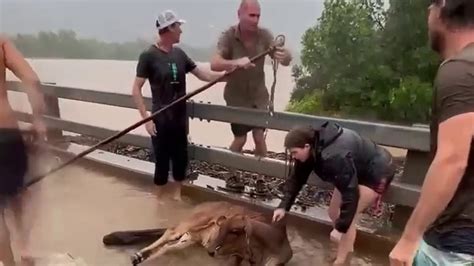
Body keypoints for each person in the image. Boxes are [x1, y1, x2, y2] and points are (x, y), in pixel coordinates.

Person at [389, 0, 474, 265]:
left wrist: (410, 236)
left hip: (456, 241)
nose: (427, 12)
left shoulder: (460, 71)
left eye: (431, 4)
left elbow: (452, 159)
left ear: (444, 7)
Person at [132, 10, 224, 203]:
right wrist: (146, 119)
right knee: (162, 165)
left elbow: (203, 75)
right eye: (178, 26)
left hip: (179, 120)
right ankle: (157, 201)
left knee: (181, 161)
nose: (181, 30)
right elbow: (136, 89)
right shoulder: (148, 56)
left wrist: (226, 76)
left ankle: (176, 197)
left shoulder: (180, 54)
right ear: (168, 29)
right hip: (160, 120)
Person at [272, 121, 396, 265]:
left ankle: (342, 261)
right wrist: (283, 206)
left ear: (306, 146)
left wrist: (340, 228)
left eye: (294, 152)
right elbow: (296, 179)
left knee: (349, 218)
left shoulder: (336, 156)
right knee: (333, 212)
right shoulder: (308, 149)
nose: (293, 156)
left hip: (375, 169)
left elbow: (351, 195)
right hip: (350, 169)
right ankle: (345, 250)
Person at [210, 0, 292, 190]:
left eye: (258, 16)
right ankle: (232, 174)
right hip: (236, 97)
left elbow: (285, 58)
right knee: (240, 138)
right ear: (240, 14)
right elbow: (215, 63)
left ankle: (261, 177)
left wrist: (285, 56)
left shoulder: (265, 36)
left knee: (258, 136)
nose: (255, 20)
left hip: (259, 96)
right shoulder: (228, 36)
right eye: (251, 15)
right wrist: (236, 62)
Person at [0, 35, 47, 266]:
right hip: (8, 131)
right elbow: (31, 79)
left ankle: (8, 262)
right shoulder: (1, 42)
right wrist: (37, 120)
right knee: (17, 194)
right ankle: (25, 248)